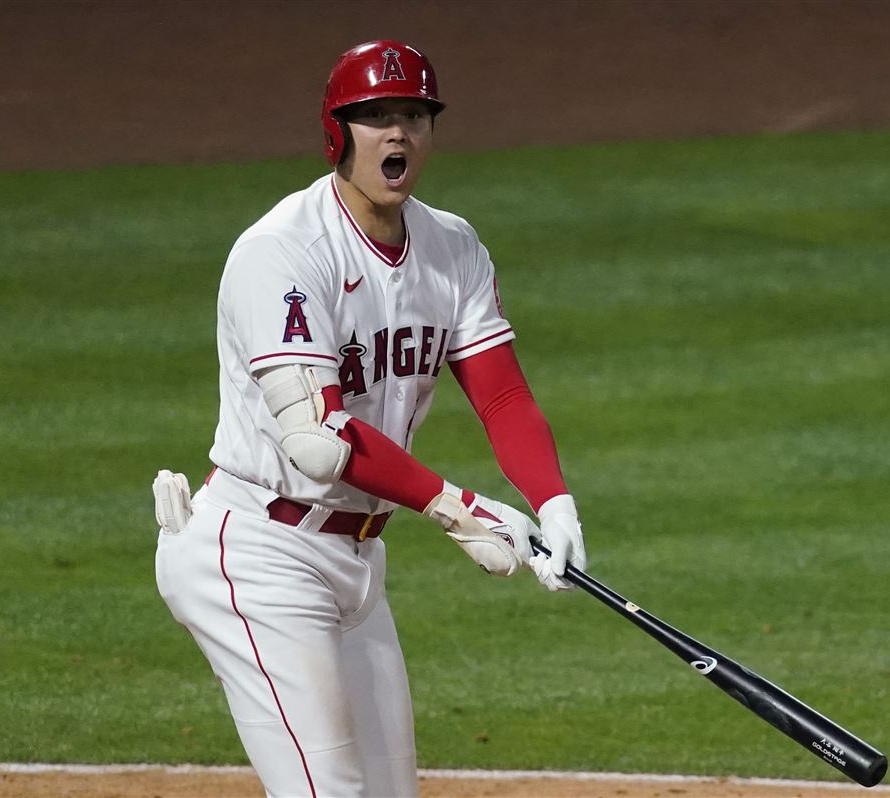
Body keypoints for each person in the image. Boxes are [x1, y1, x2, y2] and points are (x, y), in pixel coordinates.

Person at [152, 40, 586, 798]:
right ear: (337, 133)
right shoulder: (282, 253)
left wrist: (554, 502)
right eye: (376, 117)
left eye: (414, 116)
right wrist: (459, 507)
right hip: (259, 555)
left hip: (357, 563)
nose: (398, 134)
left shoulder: (452, 246)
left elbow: (503, 396)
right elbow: (319, 442)